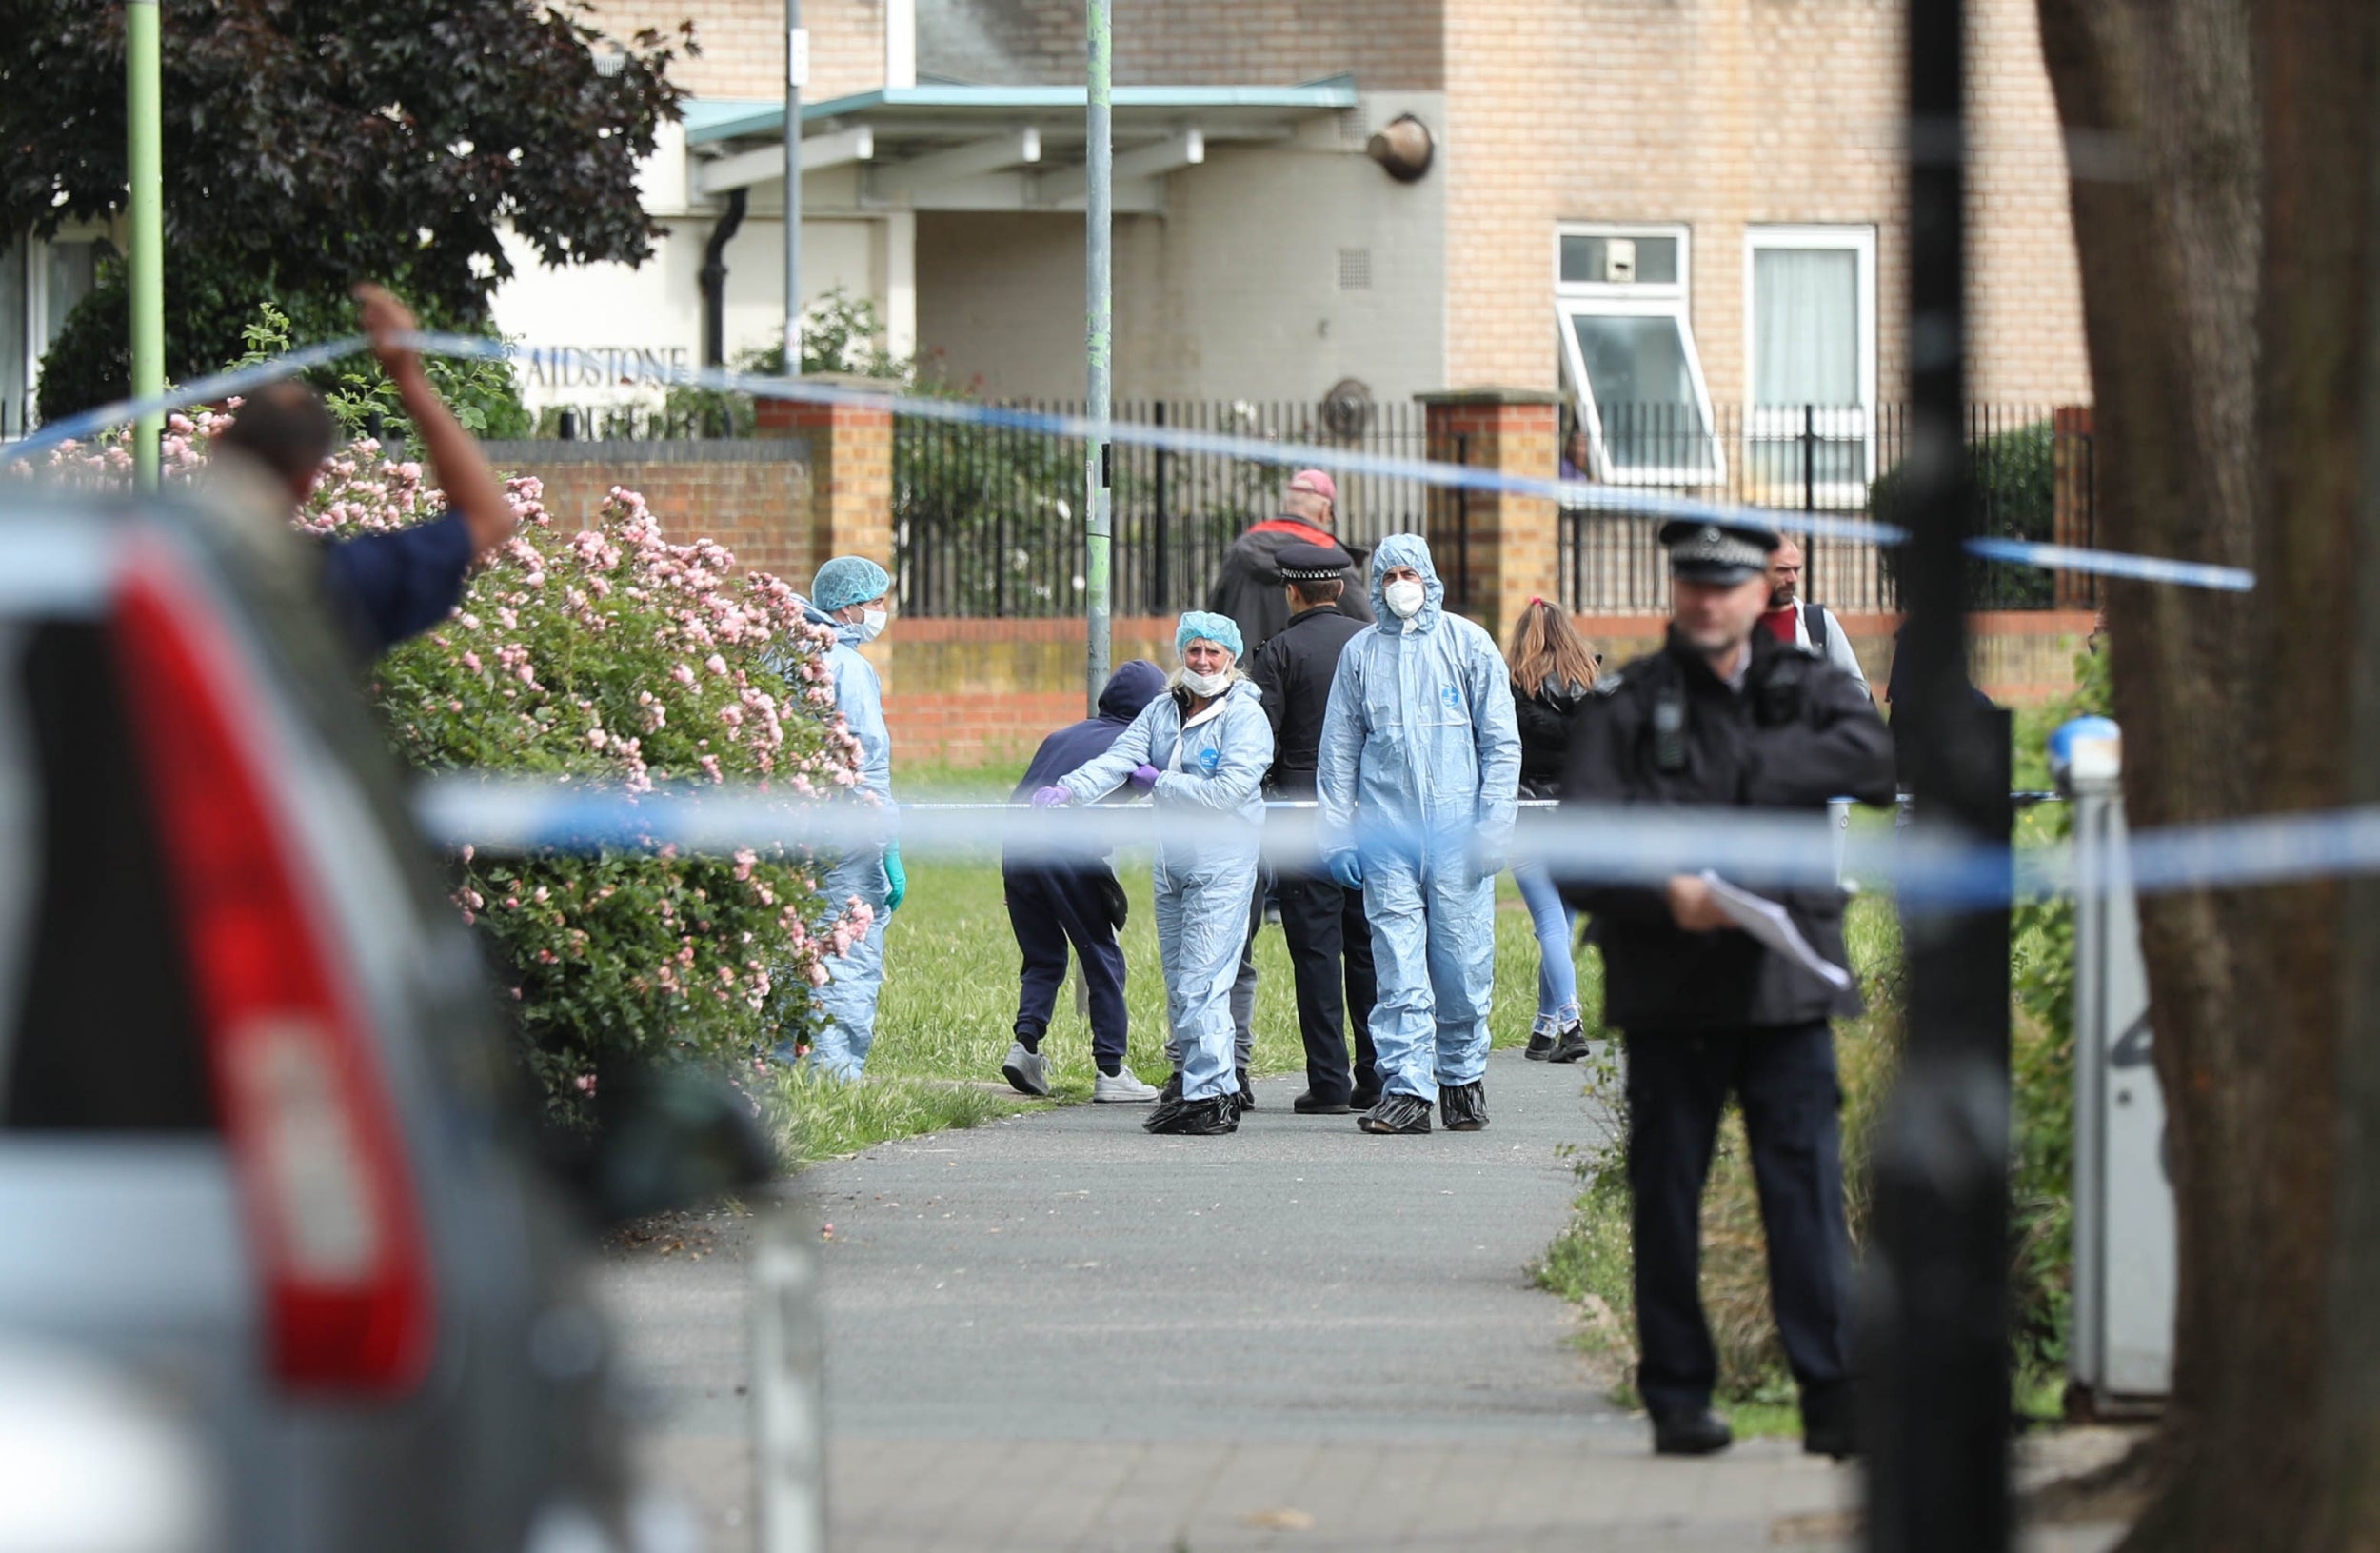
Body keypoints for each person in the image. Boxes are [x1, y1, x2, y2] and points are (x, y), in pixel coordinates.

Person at [1557, 517, 1894, 1461]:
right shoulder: (1628, 699)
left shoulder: (1807, 682)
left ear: (1761, 592)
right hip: (1669, 989)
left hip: (1783, 988)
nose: (1709, 601)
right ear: (1675, 593)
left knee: (1804, 1196)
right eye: (1692, 585)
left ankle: (1832, 1394)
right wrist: (1666, 891)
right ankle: (1676, 1394)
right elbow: (1577, 847)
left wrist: (1737, 770)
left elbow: (1872, 764)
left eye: (1729, 584)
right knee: (1666, 1197)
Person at [1035, 612, 1273, 1136]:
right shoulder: (1163, 711)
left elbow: (1226, 793)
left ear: (1232, 658)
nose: (1203, 662)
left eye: (1213, 653)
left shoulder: (1245, 718)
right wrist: (1070, 789)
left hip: (1224, 862)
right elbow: (1119, 760)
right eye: (1194, 652)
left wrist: (1160, 781)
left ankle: (1212, 1093)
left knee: (1203, 982)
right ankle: (1197, 1086)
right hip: (1172, 865)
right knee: (1179, 984)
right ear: (1181, 655)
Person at [1315, 534, 1520, 1136]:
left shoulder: (1468, 644)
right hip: (1388, 836)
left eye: (1409, 572)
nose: (1399, 584)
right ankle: (1406, 1087)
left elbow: (1501, 745)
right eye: (1387, 575)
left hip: (1459, 833)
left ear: (1429, 578)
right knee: (1397, 963)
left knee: (1460, 961)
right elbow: (1339, 751)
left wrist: (1493, 828)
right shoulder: (1361, 654)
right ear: (1374, 586)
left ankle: (1461, 1078)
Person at [211, 284, 518, 658]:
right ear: (309, 480)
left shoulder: (141, 558)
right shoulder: (330, 585)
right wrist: (406, 374)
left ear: (218, 445)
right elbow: (489, 516)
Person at [1244, 539, 1380, 1114]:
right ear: (1343, 588)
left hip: (1302, 816)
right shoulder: (1372, 645)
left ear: (1291, 590)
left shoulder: (1278, 651)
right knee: (1371, 946)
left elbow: (1261, 739)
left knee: (1317, 951)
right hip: (1372, 815)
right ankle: (1376, 1075)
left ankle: (1328, 1080)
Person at [997, 660, 1169, 1103]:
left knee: (1043, 957)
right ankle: (1111, 1069)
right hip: (1068, 852)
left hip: (1016, 851)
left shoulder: (1060, 736)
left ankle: (1026, 1046)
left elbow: (1022, 796)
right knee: (1102, 957)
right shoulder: (1131, 744)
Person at [785, 555, 904, 1080]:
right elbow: (866, 757)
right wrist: (888, 843)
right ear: (847, 605)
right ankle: (833, 1078)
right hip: (848, 835)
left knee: (791, 951)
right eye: (875, 602)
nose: (880, 611)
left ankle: (783, 1066)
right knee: (845, 956)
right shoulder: (848, 668)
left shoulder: (787, 652)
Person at [1503, 598, 1597, 1065]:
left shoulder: (1512, 689)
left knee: (1549, 925)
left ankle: (1570, 1020)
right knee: (1562, 925)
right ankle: (1544, 1027)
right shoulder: (1595, 689)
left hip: (1530, 812)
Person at [1205, 468, 1372, 654]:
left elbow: (1215, 614)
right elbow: (1365, 624)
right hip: (1306, 670)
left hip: (1245, 670)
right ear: (1325, 510)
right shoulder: (1329, 556)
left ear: (1286, 503)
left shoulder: (1243, 547)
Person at [1760, 537, 1868, 693]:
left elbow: (1856, 687)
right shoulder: (1738, 623)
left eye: (1796, 570)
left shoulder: (1819, 622)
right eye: (1783, 570)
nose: (1792, 579)